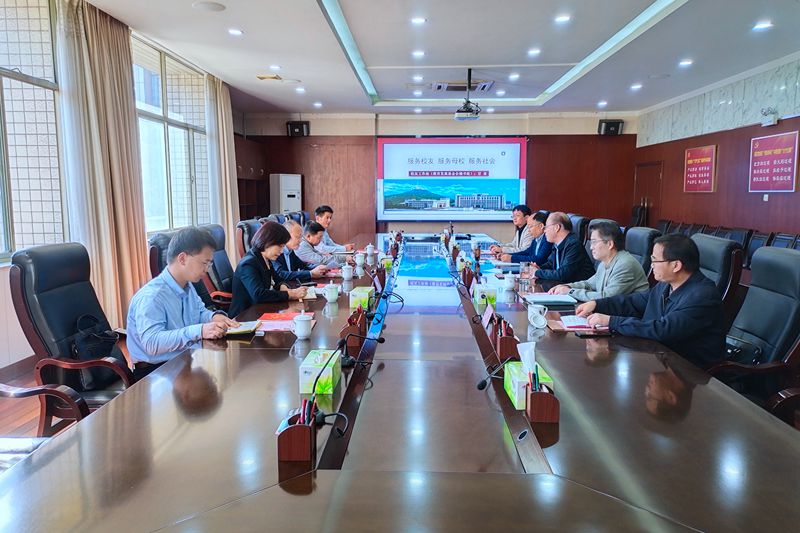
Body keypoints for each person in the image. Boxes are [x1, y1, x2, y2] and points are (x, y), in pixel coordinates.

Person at [576, 234, 726, 367]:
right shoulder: (665, 285)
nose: (651, 265)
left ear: (676, 265)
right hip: (659, 358)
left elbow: (663, 329)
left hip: (690, 371)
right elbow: (633, 302)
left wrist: (612, 321)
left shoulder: (702, 296)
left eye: (655, 260)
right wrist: (597, 304)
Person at [127, 227, 239, 377]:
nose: (207, 269)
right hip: (156, 373)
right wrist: (199, 331)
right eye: (204, 263)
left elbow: (199, 312)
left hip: (185, 360)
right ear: (182, 259)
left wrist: (213, 317)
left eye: (209, 264)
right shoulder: (152, 296)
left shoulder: (188, 285)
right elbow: (152, 343)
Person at [548, 220, 649, 301]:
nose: (591, 247)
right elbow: (589, 284)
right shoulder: (604, 262)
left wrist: (570, 292)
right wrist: (566, 286)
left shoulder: (625, 265)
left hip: (627, 317)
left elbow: (606, 298)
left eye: (594, 242)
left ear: (610, 244)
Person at [229, 221, 308, 317]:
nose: (282, 251)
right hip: (244, 317)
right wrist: (290, 294)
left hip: (261, 310)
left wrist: (282, 286)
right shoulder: (248, 263)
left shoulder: (266, 259)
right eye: (280, 246)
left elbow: (278, 280)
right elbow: (259, 294)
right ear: (268, 242)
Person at [530, 212, 595, 282]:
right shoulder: (557, 244)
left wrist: (537, 272)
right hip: (563, 285)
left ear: (557, 227)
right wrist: (539, 268)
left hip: (579, 287)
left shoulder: (573, 245)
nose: (544, 231)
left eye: (546, 227)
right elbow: (551, 264)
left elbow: (562, 274)